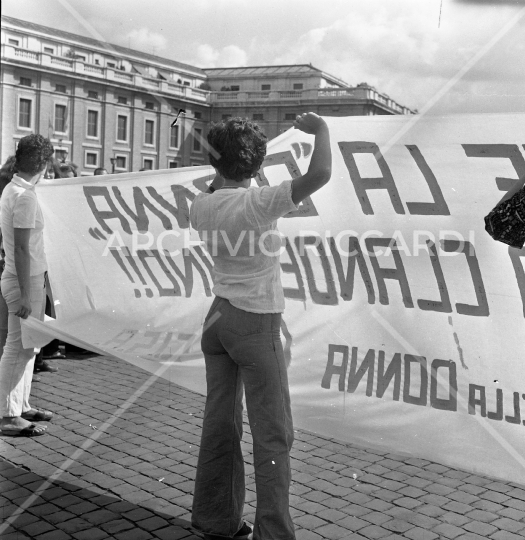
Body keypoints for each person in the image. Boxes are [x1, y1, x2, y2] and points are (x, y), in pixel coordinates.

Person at [189, 112, 331, 540]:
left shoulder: (201, 204)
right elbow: (320, 172)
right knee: (272, 435)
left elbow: (213, 185)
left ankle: (216, 519)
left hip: (218, 318)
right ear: (255, 166)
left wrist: (228, 168)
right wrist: (322, 130)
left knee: (220, 422)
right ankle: (273, 533)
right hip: (256, 321)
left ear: (216, 164)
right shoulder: (260, 201)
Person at [0, 134, 55, 436]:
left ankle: (19, 406)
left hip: (25, 277)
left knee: (28, 347)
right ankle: (8, 415)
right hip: (24, 280)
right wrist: (23, 294)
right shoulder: (25, 196)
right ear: (43, 163)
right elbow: (21, 249)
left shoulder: (15, 188)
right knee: (17, 348)